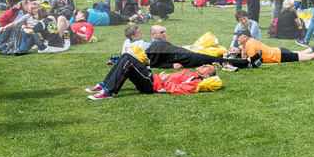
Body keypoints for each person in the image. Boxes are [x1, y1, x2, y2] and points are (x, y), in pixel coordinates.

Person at [86, 56, 220, 100]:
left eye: (207, 67)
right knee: (125, 56)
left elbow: (177, 89)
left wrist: (165, 78)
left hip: (152, 84)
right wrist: (165, 75)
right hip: (154, 78)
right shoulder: (193, 74)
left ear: (206, 75)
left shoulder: (195, 81)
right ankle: (104, 85)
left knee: (128, 62)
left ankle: (108, 92)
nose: (203, 65)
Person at [145, 24, 261, 70]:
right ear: (153, 34)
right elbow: (154, 64)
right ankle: (246, 62)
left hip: (188, 56)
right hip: (188, 58)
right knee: (217, 59)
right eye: (161, 32)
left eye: (164, 31)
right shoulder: (155, 45)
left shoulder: (159, 44)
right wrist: (171, 65)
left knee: (216, 60)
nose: (164, 34)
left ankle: (248, 64)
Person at [232, 29, 314, 63]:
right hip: (279, 52)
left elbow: (250, 61)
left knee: (311, 57)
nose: (237, 38)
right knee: (305, 52)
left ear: (245, 37)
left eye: (238, 36)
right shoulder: (246, 43)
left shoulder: (250, 44)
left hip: (280, 56)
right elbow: (244, 56)